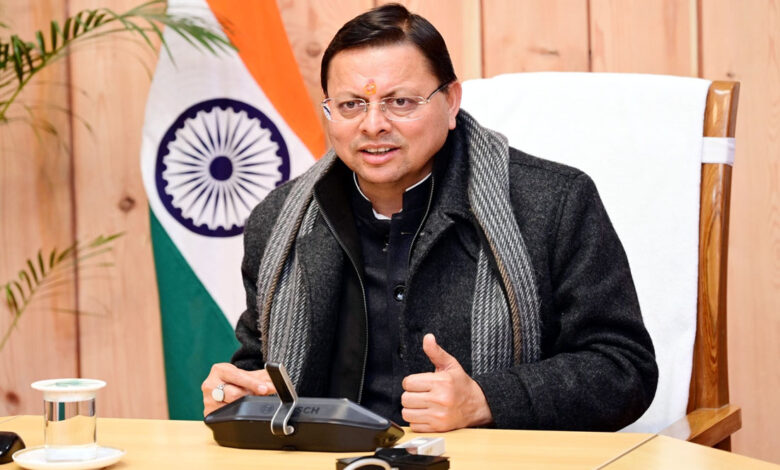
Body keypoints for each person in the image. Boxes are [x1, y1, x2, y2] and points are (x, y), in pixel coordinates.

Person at [201, 3, 658, 433]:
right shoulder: (279, 220)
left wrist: (486, 399)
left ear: (451, 100)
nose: (373, 125)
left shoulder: (553, 202)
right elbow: (260, 364)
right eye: (351, 105)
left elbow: (624, 368)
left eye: (400, 102)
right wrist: (240, 394)